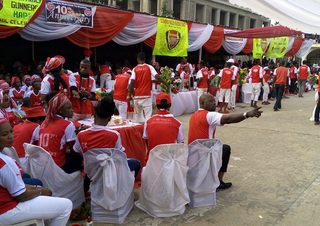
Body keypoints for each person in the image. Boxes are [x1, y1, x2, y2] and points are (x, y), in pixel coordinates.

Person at [0, 117, 73, 226]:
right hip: (6, 210)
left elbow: (16, 184)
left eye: (11, 131)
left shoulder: (4, 157)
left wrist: (37, 188)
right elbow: (21, 195)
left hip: (5, 204)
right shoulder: (5, 162)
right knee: (66, 205)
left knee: (38, 189)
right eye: (5, 134)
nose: (11, 136)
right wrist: (41, 191)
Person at [188, 93, 263, 189]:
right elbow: (227, 119)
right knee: (226, 149)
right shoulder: (209, 115)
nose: (214, 104)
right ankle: (218, 182)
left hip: (192, 153)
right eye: (210, 102)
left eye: (214, 101)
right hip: (204, 154)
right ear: (202, 104)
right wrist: (246, 114)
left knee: (220, 147)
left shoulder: (194, 115)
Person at [73, 98, 141, 193]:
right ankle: (123, 190)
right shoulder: (114, 135)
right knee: (136, 163)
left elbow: (76, 152)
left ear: (94, 115)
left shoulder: (81, 135)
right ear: (110, 118)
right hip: (110, 172)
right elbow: (120, 157)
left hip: (91, 172)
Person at [39, 93, 82, 173]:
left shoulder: (45, 122)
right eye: (69, 108)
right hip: (58, 165)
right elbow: (74, 153)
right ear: (60, 110)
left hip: (43, 163)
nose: (72, 110)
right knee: (83, 159)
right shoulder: (68, 125)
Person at [129, 52, 171, 122]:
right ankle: (147, 131)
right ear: (145, 59)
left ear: (138, 60)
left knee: (136, 117)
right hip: (146, 96)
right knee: (148, 116)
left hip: (137, 97)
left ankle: (137, 132)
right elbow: (158, 77)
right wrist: (167, 85)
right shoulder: (149, 67)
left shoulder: (134, 69)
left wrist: (130, 95)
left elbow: (132, 82)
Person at [143, 92, 184, 162]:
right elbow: (180, 145)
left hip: (152, 160)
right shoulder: (178, 123)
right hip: (169, 161)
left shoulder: (148, 122)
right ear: (170, 105)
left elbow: (146, 141)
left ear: (157, 106)